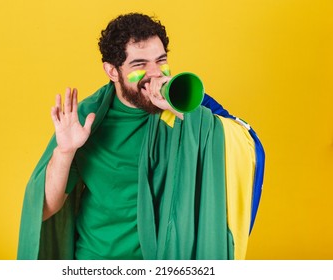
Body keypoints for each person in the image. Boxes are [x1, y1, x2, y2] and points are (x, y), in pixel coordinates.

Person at [17, 12, 265, 260]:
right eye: (140, 64)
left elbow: (243, 144)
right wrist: (65, 152)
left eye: (161, 60)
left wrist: (184, 115)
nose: (155, 73)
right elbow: (45, 209)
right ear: (112, 71)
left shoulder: (185, 106)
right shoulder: (87, 117)